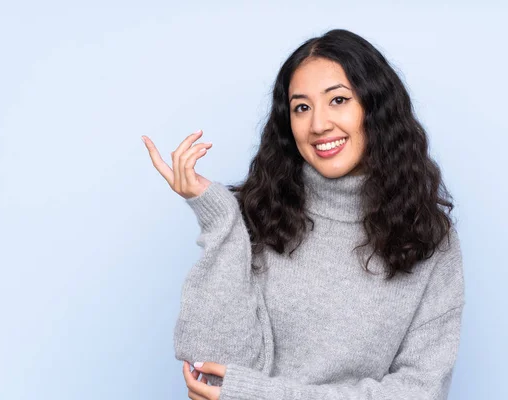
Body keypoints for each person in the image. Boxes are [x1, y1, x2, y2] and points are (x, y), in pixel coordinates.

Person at [142, 28, 465, 400]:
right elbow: (211, 378)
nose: (318, 124)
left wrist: (263, 396)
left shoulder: (427, 237)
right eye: (301, 107)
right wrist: (219, 217)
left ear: (375, 109)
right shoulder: (258, 214)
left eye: (339, 100)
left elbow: (421, 391)